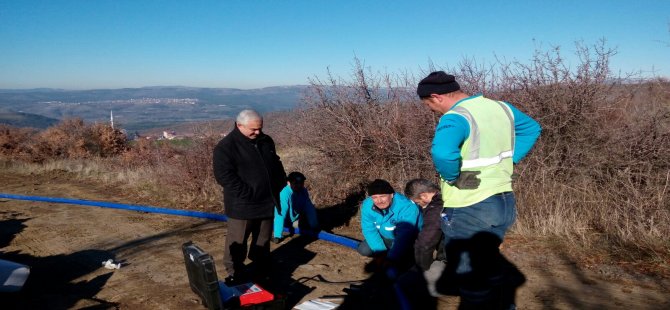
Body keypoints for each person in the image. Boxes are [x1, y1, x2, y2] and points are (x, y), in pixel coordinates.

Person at [416, 70, 541, 246]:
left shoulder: (456, 117)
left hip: (469, 204)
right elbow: (531, 129)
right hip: (503, 201)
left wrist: (453, 178)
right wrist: (511, 160)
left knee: (465, 267)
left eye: (429, 104)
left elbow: (442, 153)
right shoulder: (502, 107)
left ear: (436, 97)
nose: (431, 110)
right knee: (485, 261)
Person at [212, 109, 286, 284]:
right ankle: (234, 272)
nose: (258, 132)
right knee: (237, 242)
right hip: (242, 206)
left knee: (262, 240)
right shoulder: (226, 147)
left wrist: (280, 182)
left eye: (260, 128)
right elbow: (224, 176)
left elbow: (275, 162)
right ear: (239, 125)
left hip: (267, 202)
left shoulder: (266, 141)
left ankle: (261, 269)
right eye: (253, 129)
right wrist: (247, 194)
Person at [358, 179, 422, 274]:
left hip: (410, 240)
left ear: (391, 195)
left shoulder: (407, 207)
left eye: (382, 196)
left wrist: (390, 259)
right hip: (387, 236)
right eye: (374, 197)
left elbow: (404, 237)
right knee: (364, 249)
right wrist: (381, 254)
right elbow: (369, 229)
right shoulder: (367, 205)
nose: (379, 201)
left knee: (405, 266)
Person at [272, 171, 319, 243]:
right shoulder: (285, 193)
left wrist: (314, 226)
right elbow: (281, 213)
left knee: (307, 221)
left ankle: (308, 226)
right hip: (285, 221)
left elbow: (309, 208)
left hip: (295, 219)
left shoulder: (303, 191)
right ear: (288, 183)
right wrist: (277, 235)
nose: (299, 186)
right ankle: (279, 229)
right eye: (296, 183)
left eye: (301, 183)